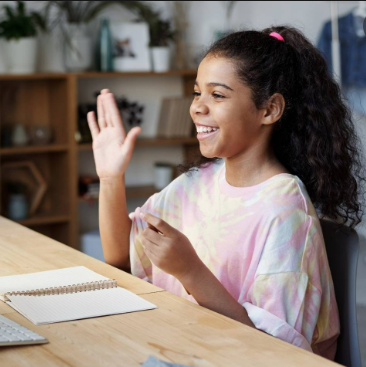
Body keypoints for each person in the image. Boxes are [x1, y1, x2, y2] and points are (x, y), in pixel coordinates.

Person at [86, 26, 365, 360]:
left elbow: (273, 353)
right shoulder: (195, 184)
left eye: (217, 95)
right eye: (196, 93)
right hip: (181, 348)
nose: (198, 108)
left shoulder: (286, 213)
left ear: (269, 110)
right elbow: (121, 261)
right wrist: (111, 177)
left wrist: (190, 271)